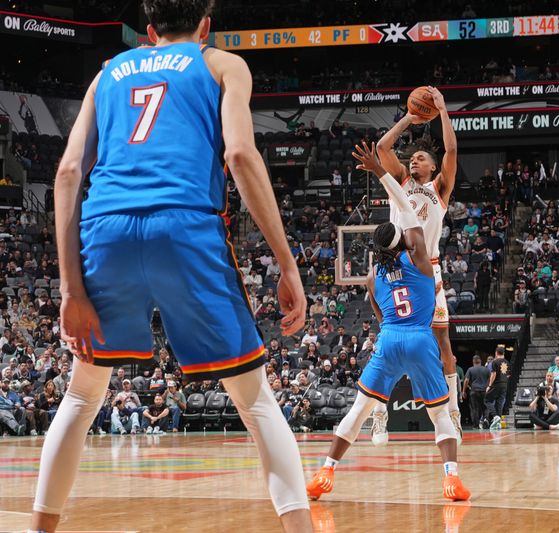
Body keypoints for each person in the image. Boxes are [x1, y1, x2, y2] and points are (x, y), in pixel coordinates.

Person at [29, 3, 312, 532]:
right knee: (255, 401)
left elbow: (68, 173)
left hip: (105, 226)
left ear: (150, 31)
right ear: (206, 26)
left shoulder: (107, 72)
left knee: (83, 393)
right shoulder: (222, 65)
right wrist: (286, 263)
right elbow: (242, 156)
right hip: (185, 224)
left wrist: (70, 289)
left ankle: (39, 528)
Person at [306, 143, 469, 502]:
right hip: (420, 338)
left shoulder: (377, 275)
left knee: (358, 410)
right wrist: (381, 173)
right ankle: (451, 479)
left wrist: (383, 323)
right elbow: (406, 210)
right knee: (440, 417)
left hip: (389, 336)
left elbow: (374, 293)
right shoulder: (422, 261)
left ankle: (325, 470)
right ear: (406, 242)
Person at [372, 85, 462, 444]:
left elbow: (452, 148)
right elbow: (381, 149)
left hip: (429, 268)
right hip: (395, 261)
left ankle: (453, 414)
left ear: (434, 165)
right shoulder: (401, 182)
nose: (414, 160)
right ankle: (379, 416)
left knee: (443, 343)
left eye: (421, 157)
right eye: (413, 157)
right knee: (387, 339)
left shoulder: (440, 188)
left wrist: (440, 110)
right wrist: (410, 117)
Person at [484, 345, 510, 431]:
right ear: (503, 353)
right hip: (504, 385)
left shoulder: (495, 362)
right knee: (499, 403)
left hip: (496, 384)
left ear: (496, 353)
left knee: (487, 400)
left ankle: (495, 416)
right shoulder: (507, 362)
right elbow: (508, 375)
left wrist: (490, 385)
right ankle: (498, 423)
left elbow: (493, 374)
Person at [461, 355, 489, 428]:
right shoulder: (486, 369)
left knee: (475, 408)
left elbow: (466, 380)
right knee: (485, 407)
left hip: (474, 391)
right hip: (484, 391)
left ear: (473, 361)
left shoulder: (470, 369)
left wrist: (463, 391)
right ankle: (485, 420)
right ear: (480, 361)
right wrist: (488, 387)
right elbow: (490, 379)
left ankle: (475, 425)